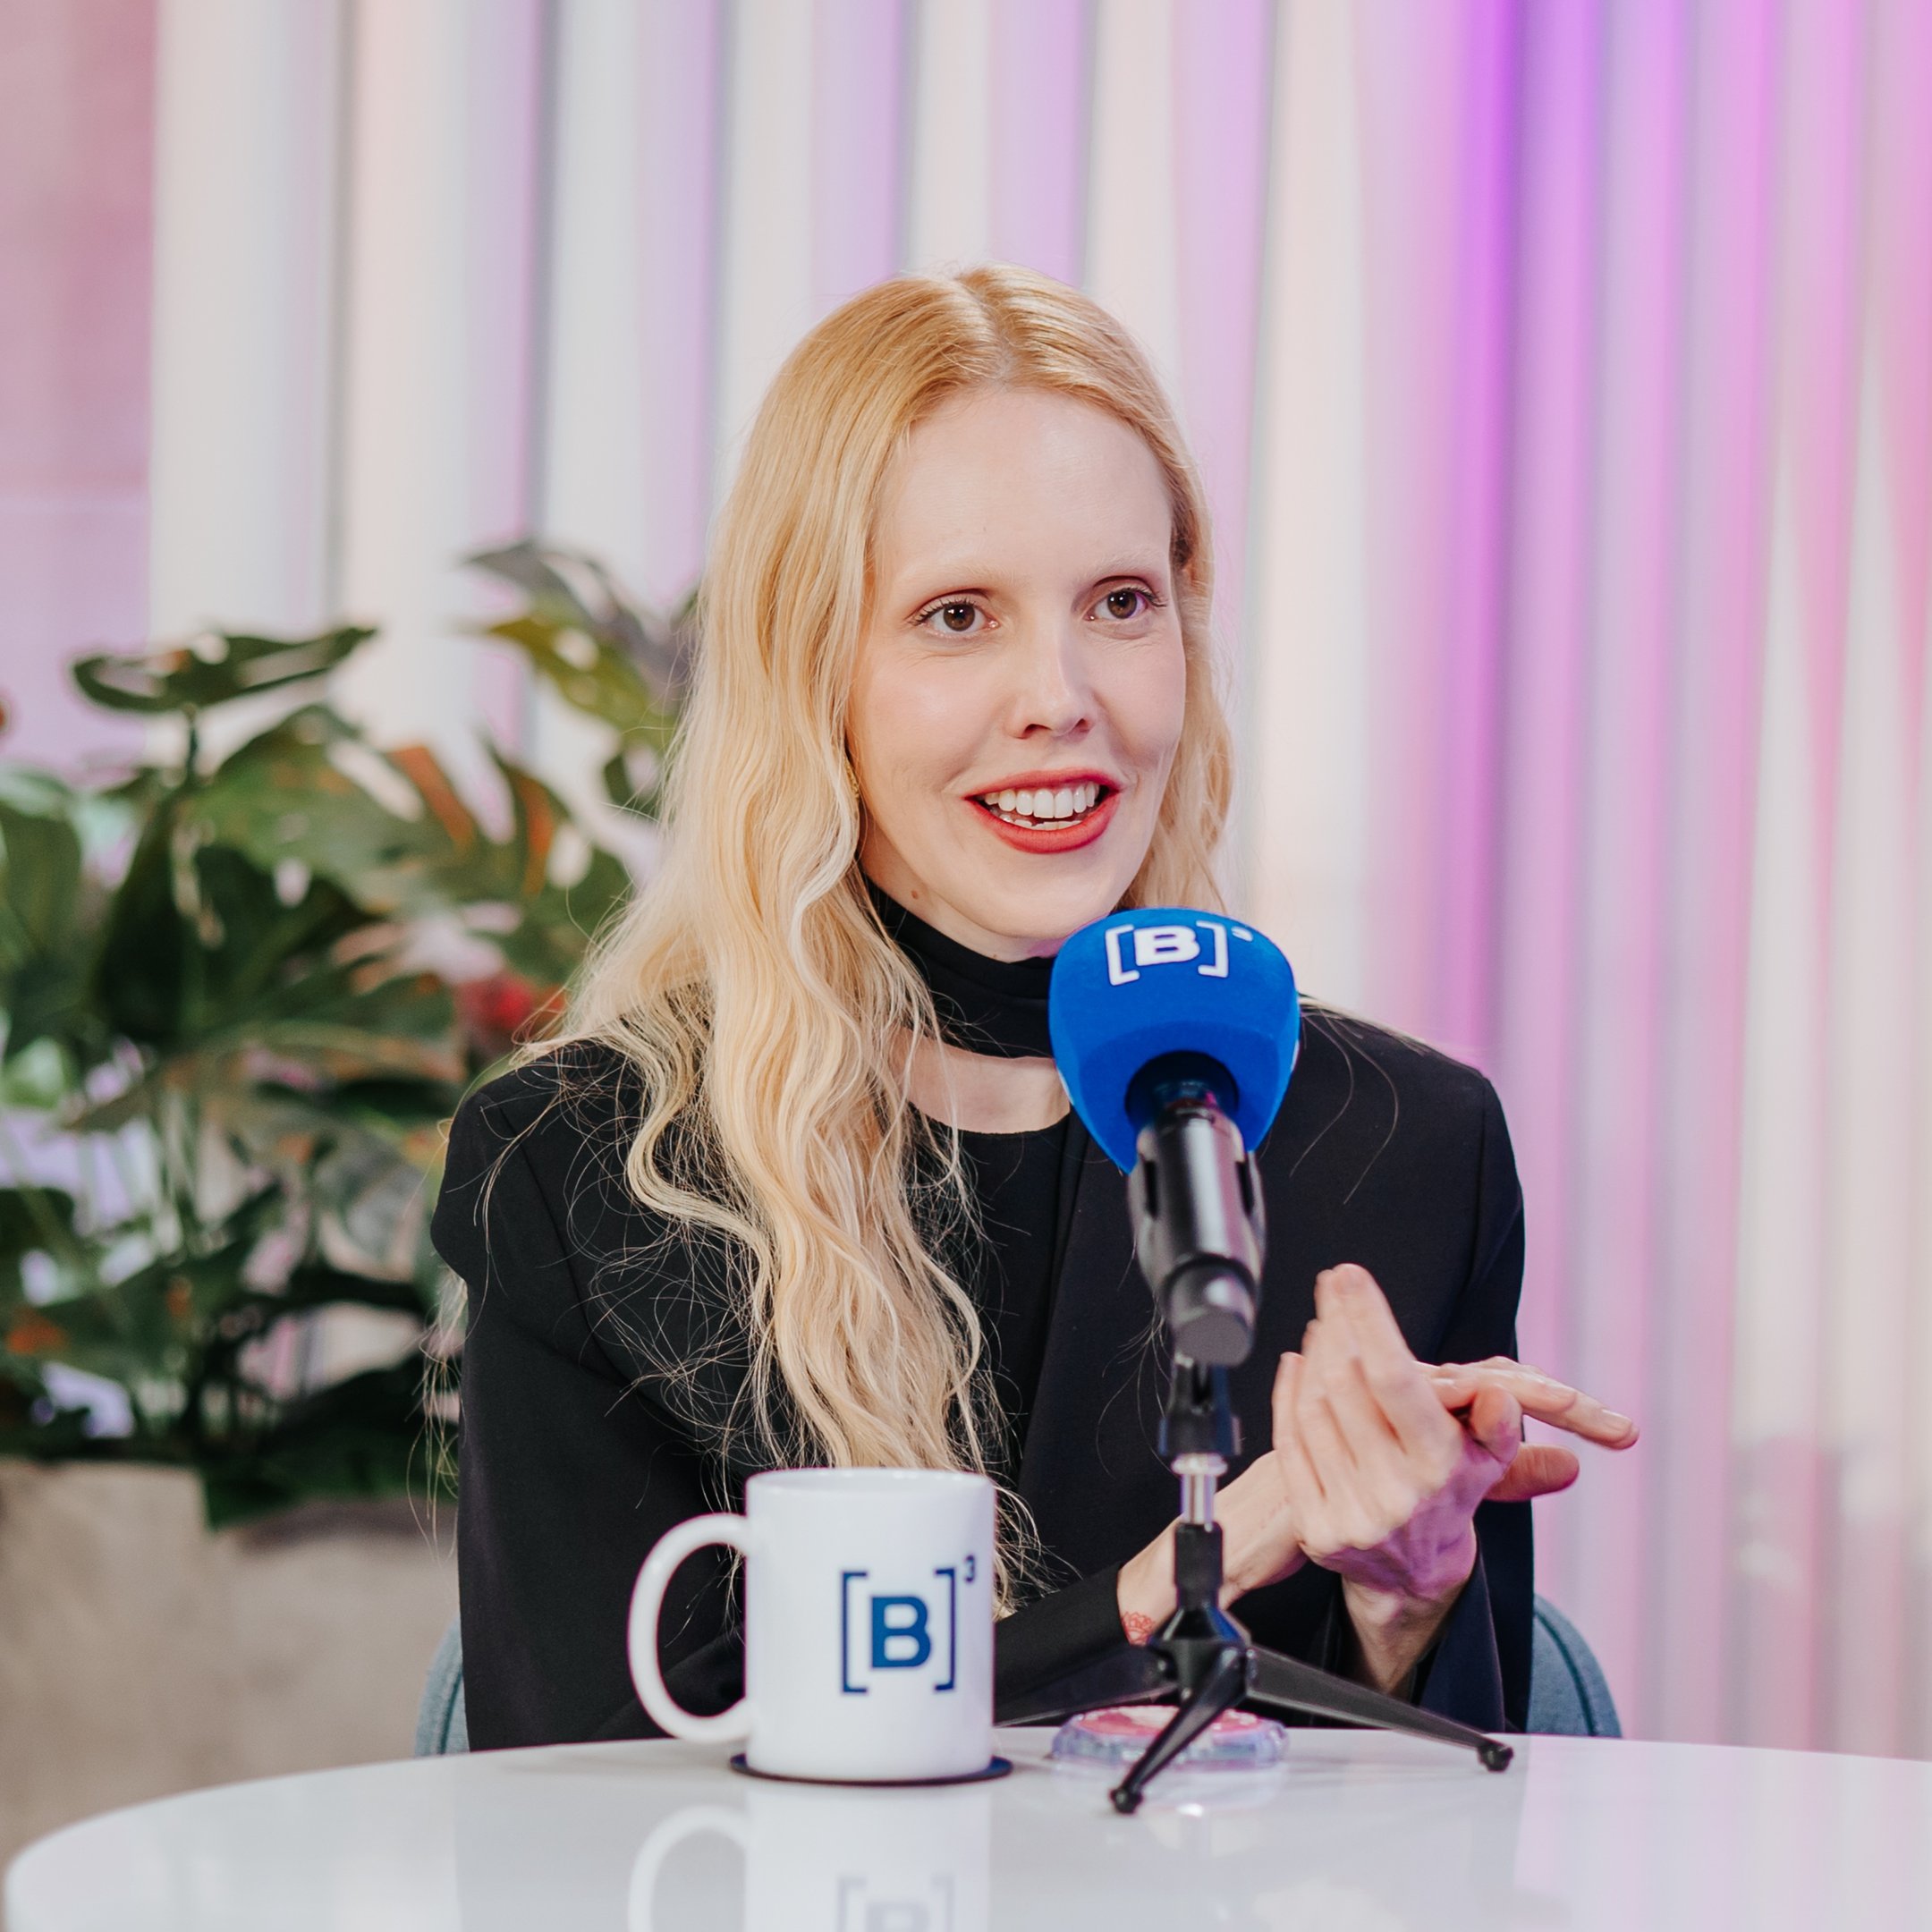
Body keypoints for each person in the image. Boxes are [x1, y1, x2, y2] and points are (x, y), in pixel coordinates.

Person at [431, 266, 1635, 1750]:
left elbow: (1462, 1841)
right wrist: (1181, 1579)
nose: (1061, 694)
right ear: (819, 678)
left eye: (1120, 603)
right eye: (957, 616)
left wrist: (1410, 1594)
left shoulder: (1406, 1147)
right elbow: (586, 1826)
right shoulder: (587, 1172)